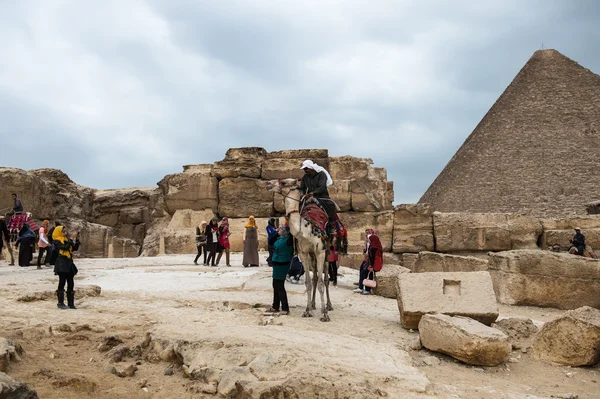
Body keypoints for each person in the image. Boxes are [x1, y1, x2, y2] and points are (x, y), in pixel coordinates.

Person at [299, 160, 337, 232]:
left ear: (311, 168)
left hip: (321, 197)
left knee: (330, 205)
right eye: (304, 169)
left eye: (306, 169)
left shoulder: (321, 174)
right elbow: (302, 188)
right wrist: (302, 194)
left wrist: (311, 194)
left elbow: (322, 187)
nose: (305, 170)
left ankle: (331, 225)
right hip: (307, 198)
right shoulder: (305, 177)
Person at [267, 225, 293, 315]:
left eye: (282, 228)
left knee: (280, 286)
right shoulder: (279, 238)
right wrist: (277, 232)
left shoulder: (289, 240)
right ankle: (275, 306)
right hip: (276, 263)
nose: (280, 229)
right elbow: (270, 241)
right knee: (275, 285)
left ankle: (285, 308)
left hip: (283, 264)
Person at [52, 226, 80, 309]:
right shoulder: (56, 241)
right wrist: (71, 240)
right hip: (62, 263)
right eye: (63, 231)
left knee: (71, 283)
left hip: (69, 262)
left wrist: (77, 240)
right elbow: (65, 247)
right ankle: (60, 303)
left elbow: (74, 248)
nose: (65, 233)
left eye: (65, 231)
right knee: (62, 282)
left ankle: (71, 303)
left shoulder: (66, 240)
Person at [354, 228, 383, 295]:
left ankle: (366, 289)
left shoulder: (373, 247)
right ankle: (364, 288)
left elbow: (373, 257)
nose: (368, 240)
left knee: (367, 274)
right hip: (371, 262)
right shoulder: (375, 245)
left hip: (372, 263)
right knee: (366, 273)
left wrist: (371, 266)